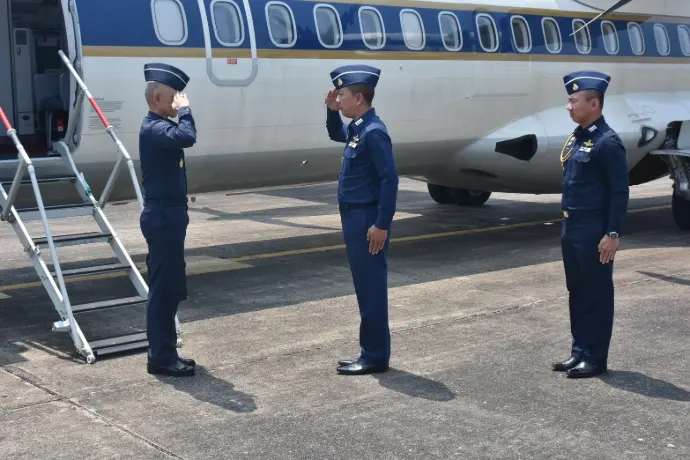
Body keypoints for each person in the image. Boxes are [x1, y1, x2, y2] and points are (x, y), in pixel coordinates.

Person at [552, 70, 629, 379]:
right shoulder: (578, 138)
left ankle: (596, 358)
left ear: (594, 104)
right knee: (577, 291)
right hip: (571, 228)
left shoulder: (607, 143)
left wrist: (612, 233)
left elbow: (619, 191)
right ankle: (579, 350)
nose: (569, 106)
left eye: (574, 101)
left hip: (594, 231)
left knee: (597, 294)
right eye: (569, 101)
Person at [325, 64, 399, 375]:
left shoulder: (373, 132)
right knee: (364, 288)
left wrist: (381, 224)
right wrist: (331, 111)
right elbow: (336, 133)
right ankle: (370, 351)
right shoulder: (358, 128)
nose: (338, 99)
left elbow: (389, 180)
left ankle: (374, 356)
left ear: (358, 98)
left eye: (341, 95)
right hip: (354, 218)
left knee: (371, 290)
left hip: (367, 220)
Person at [139, 63, 197, 377]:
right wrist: (185, 111)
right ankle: (161, 358)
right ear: (158, 97)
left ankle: (167, 352)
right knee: (163, 289)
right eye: (174, 96)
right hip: (163, 217)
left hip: (169, 215)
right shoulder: (154, 129)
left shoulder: (161, 127)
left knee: (171, 287)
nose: (179, 101)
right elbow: (188, 136)